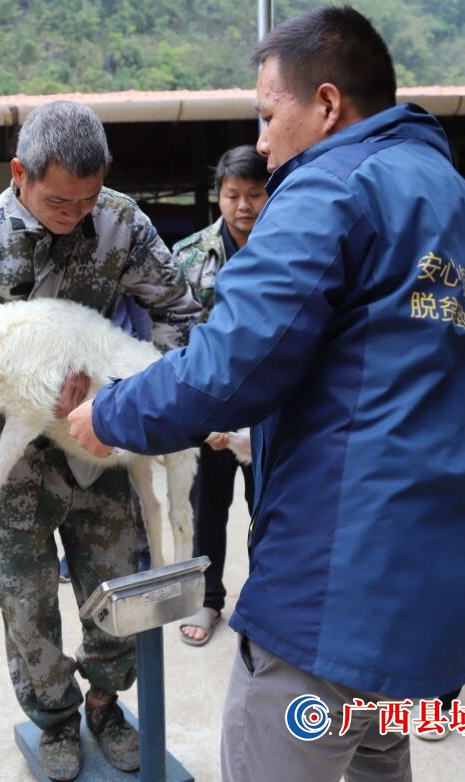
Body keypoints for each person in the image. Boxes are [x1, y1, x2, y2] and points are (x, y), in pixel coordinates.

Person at [67, 7, 465, 781]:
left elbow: (232, 364)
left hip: (333, 594)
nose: (263, 145)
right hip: (443, 611)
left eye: (268, 116)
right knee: (376, 758)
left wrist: (111, 411)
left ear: (327, 104)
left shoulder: (335, 183)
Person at [0, 99, 201, 781]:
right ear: (19, 174)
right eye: (59, 200)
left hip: (101, 439)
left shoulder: (119, 221)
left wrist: (131, 395)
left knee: (113, 582)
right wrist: (44, 399)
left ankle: (106, 704)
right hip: (11, 456)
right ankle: (54, 718)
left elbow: (179, 313)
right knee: (24, 601)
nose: (76, 213)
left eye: (87, 199)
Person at [172, 144, 267, 646]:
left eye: (255, 193)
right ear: (219, 197)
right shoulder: (188, 256)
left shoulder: (292, 248)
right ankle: (208, 600)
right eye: (234, 195)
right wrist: (200, 415)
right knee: (205, 510)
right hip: (208, 409)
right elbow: (174, 339)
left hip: (270, 410)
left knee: (268, 511)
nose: (244, 205)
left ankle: (263, 605)